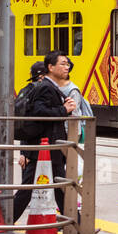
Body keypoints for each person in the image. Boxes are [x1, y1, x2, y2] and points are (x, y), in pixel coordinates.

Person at [14, 51, 75, 222]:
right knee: (32, 189)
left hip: (46, 147)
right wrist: (64, 110)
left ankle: (76, 225)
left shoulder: (46, 86)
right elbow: (39, 112)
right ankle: (3, 222)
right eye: (62, 63)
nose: (67, 66)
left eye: (67, 63)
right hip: (45, 147)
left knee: (59, 188)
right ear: (51, 67)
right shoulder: (46, 87)